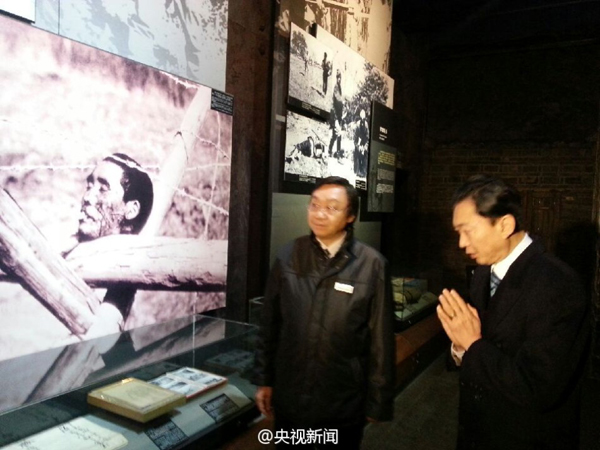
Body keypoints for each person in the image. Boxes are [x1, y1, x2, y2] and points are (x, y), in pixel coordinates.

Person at [437, 175, 590, 450]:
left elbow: (539, 389)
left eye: (467, 231)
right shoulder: (483, 273)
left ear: (505, 225)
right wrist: (459, 347)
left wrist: (472, 344)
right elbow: (476, 346)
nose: (461, 243)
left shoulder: (558, 284)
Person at [253, 176, 394, 449]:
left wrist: (379, 400)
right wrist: (264, 379)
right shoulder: (288, 255)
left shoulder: (372, 265)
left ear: (350, 216)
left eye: (331, 207)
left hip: (342, 400)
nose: (319, 214)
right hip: (291, 395)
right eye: (315, 205)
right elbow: (269, 324)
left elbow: (381, 340)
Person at [71, 153, 154, 331]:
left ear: (131, 210)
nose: (87, 197)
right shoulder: (67, 251)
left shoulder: (127, 274)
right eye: (89, 186)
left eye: (103, 189)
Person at [328, 70, 344, 159]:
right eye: (338, 78)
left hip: (339, 115)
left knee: (336, 135)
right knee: (337, 135)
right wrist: (343, 101)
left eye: (340, 78)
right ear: (336, 78)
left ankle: (330, 150)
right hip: (335, 115)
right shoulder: (336, 87)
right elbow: (338, 99)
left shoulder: (340, 87)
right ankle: (336, 153)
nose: (339, 79)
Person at [353, 108, 369, 177]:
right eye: (361, 114)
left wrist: (365, 147)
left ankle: (363, 171)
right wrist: (358, 146)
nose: (363, 116)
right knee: (357, 154)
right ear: (360, 115)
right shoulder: (357, 124)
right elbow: (355, 137)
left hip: (364, 144)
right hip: (358, 143)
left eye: (364, 115)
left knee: (365, 155)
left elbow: (367, 137)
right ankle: (357, 170)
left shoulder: (366, 125)